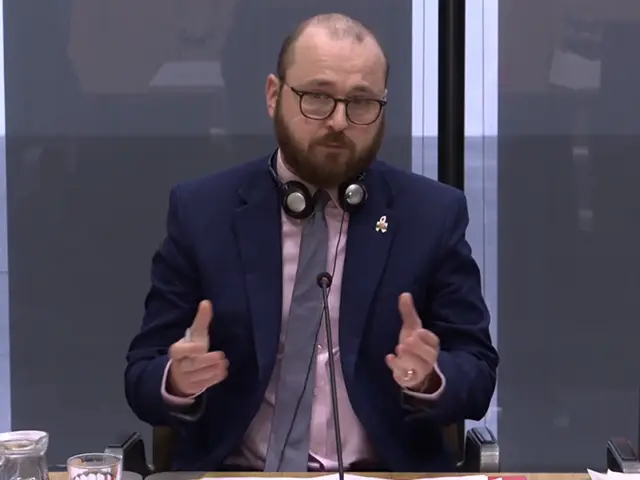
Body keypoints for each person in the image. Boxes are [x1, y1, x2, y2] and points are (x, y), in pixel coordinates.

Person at [125, 13, 499, 473]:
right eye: (318, 98)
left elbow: (477, 372)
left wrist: (430, 377)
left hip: (381, 473)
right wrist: (177, 381)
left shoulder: (430, 215)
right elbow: (141, 374)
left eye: (361, 102)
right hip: (240, 473)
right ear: (274, 95)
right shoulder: (204, 212)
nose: (339, 121)